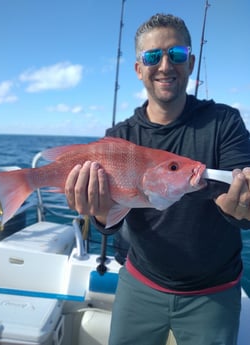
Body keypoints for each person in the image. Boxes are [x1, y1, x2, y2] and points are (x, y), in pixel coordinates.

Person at [65, 13, 250, 345]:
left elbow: (243, 203)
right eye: (152, 56)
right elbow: (107, 221)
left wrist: (241, 207)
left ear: (191, 62)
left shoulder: (224, 122)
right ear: (139, 69)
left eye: (176, 54)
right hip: (140, 283)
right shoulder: (119, 136)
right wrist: (97, 210)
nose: (165, 65)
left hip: (214, 291)